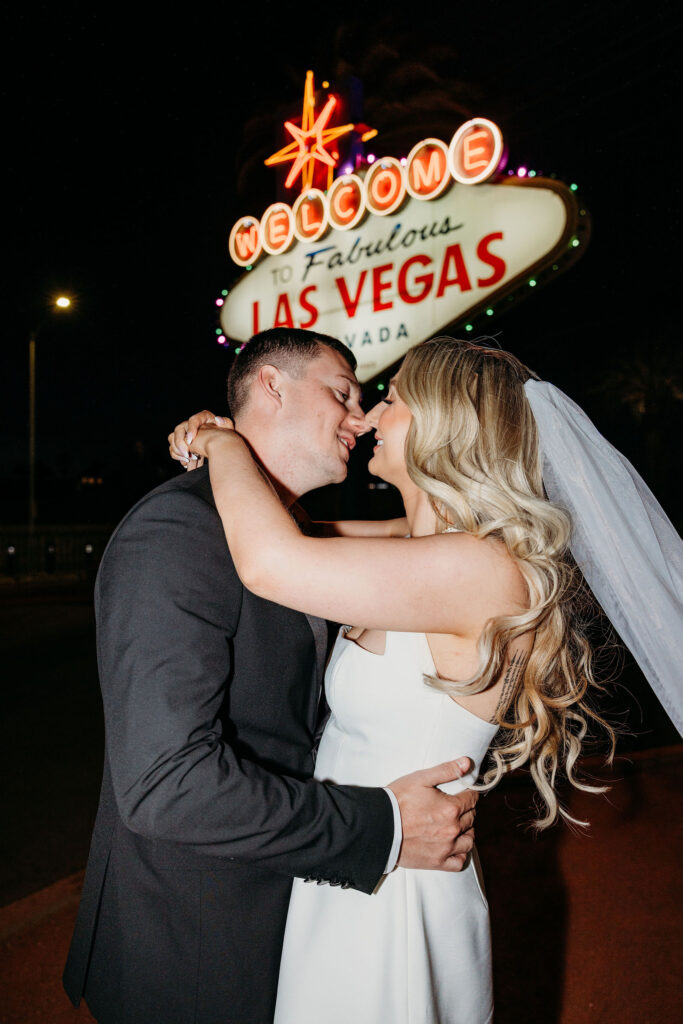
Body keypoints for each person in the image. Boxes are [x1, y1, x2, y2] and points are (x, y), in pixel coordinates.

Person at [172, 336, 683, 1024]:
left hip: (397, 885)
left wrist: (221, 441)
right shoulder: (416, 546)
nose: (370, 416)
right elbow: (284, 526)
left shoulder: (483, 567)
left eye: (392, 399)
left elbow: (269, 562)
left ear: (444, 421)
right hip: (361, 853)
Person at [62, 328, 479, 1024]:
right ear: (271, 386)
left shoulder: (294, 534)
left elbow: (425, 545)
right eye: (342, 393)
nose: (359, 416)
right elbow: (168, 787)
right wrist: (382, 827)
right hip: (196, 942)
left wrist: (225, 444)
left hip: (290, 908)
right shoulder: (178, 531)